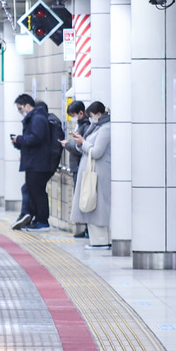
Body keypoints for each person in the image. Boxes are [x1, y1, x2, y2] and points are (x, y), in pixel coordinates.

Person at [69, 101, 111, 249]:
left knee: (97, 207)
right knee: (93, 205)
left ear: (99, 114)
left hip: (99, 173)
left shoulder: (105, 129)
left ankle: (101, 241)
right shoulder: (97, 127)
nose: (91, 119)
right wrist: (81, 143)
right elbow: (88, 148)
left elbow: (97, 151)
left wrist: (83, 142)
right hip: (94, 172)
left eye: (92, 116)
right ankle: (98, 241)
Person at [10, 94, 52, 231]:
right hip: (34, 162)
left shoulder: (37, 118)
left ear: (28, 105)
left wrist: (20, 139)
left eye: (20, 108)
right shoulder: (35, 118)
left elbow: (36, 138)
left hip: (38, 163)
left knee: (37, 192)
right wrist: (19, 142)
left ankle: (42, 220)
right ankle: (34, 218)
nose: (21, 112)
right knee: (33, 191)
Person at [62, 100, 92, 238]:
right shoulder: (81, 125)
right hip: (77, 167)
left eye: (74, 115)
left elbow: (79, 147)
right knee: (80, 198)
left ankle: (88, 229)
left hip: (81, 166)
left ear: (81, 112)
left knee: (83, 198)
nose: (73, 118)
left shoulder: (86, 127)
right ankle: (86, 228)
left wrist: (68, 144)